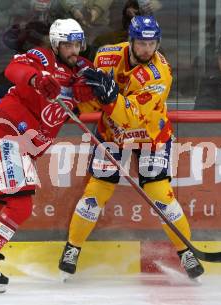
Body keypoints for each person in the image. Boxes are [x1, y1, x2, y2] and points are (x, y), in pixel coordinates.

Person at [0, 18, 98, 293]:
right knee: (20, 205)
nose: (73, 50)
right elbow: (15, 68)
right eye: (66, 44)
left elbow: (93, 95)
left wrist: (98, 91)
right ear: (56, 44)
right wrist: (36, 79)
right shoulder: (42, 58)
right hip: (7, 135)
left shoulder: (83, 70)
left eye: (77, 44)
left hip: (22, 144)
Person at [58, 15, 205, 280]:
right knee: (94, 194)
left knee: (161, 196)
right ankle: (72, 247)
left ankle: (185, 251)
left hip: (151, 136)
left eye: (152, 43)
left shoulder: (160, 73)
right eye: (142, 43)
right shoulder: (106, 56)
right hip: (112, 135)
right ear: (131, 40)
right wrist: (80, 98)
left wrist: (110, 96)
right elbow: (93, 99)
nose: (148, 49)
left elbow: (133, 115)